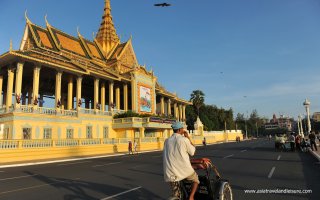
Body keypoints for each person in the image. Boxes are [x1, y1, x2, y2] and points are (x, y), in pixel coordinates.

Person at [163, 122, 199, 200]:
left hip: (170, 172)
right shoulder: (184, 140)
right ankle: (191, 197)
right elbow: (192, 152)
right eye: (182, 128)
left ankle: (177, 196)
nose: (183, 129)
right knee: (196, 180)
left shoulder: (167, 141)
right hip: (183, 170)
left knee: (176, 194)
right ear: (180, 130)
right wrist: (188, 137)